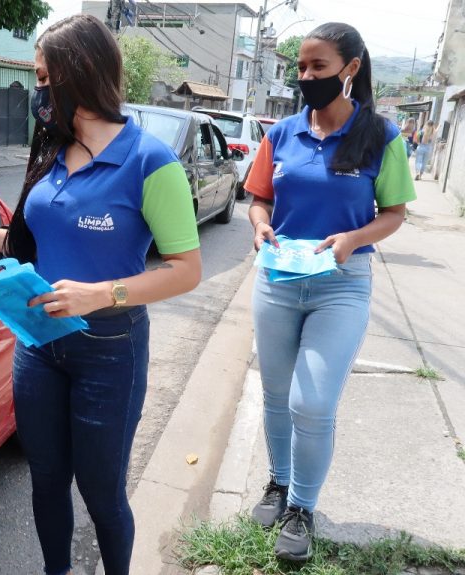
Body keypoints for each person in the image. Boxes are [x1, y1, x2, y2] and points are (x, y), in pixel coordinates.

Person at [0, 14, 201, 575]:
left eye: (42, 78)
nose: (36, 92)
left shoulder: (150, 161)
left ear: (76, 75)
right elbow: (39, 240)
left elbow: (186, 270)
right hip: (37, 344)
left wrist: (101, 294)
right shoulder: (52, 152)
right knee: (47, 479)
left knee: (102, 492)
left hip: (109, 348)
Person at [244, 22, 416, 562]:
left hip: (341, 285)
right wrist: (259, 226)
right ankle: (278, 481)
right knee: (275, 395)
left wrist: (354, 239)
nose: (307, 77)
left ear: (351, 69)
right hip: (278, 279)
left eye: (319, 67)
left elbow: (393, 214)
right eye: (301, 67)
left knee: (311, 401)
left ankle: (302, 507)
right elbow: (258, 199)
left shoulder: (381, 136)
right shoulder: (281, 134)